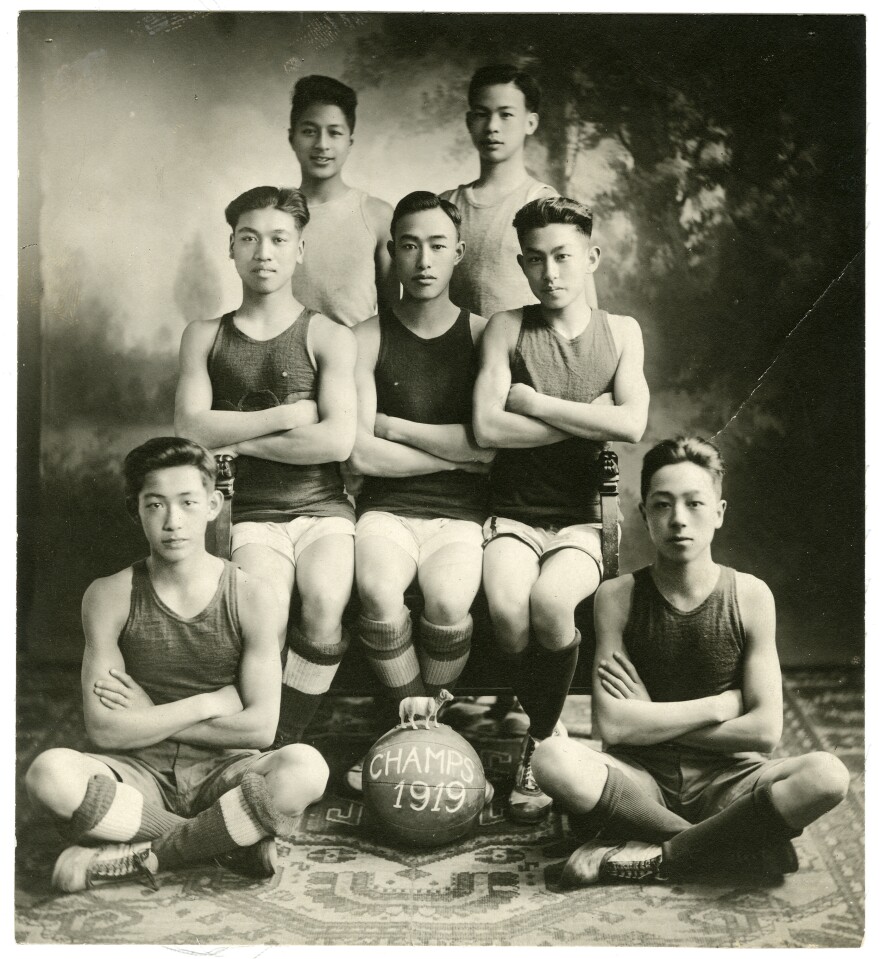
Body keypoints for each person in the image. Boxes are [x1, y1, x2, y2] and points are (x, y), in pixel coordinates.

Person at [531, 437, 850, 885]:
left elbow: (765, 733)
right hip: (639, 779)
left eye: (694, 504)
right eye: (662, 505)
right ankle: (728, 847)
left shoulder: (751, 596)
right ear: (644, 514)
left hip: (731, 781)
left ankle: (659, 853)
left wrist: (653, 718)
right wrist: (717, 707)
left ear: (718, 512)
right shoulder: (617, 597)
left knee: (828, 775)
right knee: (550, 759)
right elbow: (618, 727)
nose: (678, 520)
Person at [25, 438, 330, 892]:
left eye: (187, 503)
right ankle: (223, 840)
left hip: (226, 773)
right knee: (47, 774)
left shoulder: (252, 595)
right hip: (137, 771)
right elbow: (105, 731)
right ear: (137, 511)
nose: (173, 522)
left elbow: (261, 730)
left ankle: (142, 854)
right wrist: (207, 702)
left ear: (212, 505)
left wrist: (147, 714)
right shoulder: (108, 595)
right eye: (155, 505)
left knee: (307, 769)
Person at [473, 195, 649, 824]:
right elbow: (487, 427)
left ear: (591, 257)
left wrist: (535, 402)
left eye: (564, 256)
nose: (552, 272)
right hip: (513, 514)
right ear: (522, 264)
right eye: (538, 259)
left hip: (582, 518)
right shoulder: (506, 327)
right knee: (507, 609)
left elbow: (630, 423)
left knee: (552, 604)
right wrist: (584, 417)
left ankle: (538, 742)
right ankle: (542, 720)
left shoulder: (620, 332)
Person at [174, 186, 357, 746]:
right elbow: (190, 428)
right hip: (250, 512)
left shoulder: (326, 335)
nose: (264, 252)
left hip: (323, 509)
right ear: (231, 247)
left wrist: (239, 439)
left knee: (325, 599)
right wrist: (288, 415)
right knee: (267, 609)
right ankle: (261, 734)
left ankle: (283, 737)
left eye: (279, 239)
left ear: (300, 249)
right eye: (249, 238)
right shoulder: (206, 336)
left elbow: (335, 442)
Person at [345, 191, 493, 792]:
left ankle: (417, 717)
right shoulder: (366, 336)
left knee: (449, 603)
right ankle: (416, 722)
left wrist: (395, 427)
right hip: (385, 510)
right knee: (379, 592)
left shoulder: (485, 335)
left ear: (458, 252)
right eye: (409, 245)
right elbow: (358, 453)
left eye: (437, 245)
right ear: (393, 254)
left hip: (461, 517)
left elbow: (487, 452)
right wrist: (450, 452)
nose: (424, 260)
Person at [441, 63, 599, 321]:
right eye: (482, 114)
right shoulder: (446, 205)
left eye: (506, 115)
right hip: (456, 356)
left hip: (522, 353)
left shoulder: (543, 203)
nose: (492, 126)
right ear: (470, 122)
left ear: (530, 122)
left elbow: (585, 308)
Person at [288, 75, 397, 328]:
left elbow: (391, 317)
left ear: (349, 142)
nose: (321, 144)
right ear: (292, 138)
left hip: (355, 362)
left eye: (334, 133)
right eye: (309, 132)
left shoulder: (377, 216)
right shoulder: (276, 215)